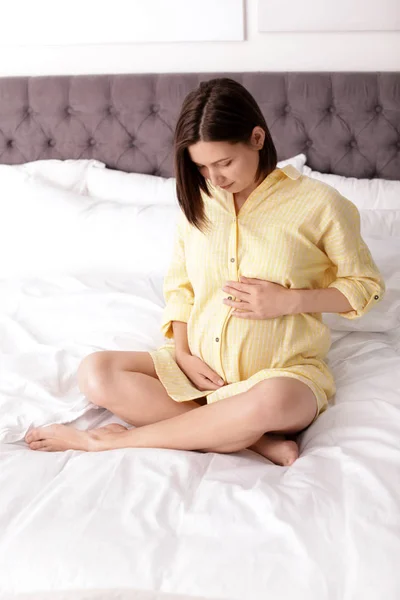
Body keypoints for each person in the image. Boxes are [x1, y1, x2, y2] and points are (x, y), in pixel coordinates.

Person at [25, 78, 385, 465]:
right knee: (95, 371)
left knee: (272, 401)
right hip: (199, 372)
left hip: (282, 377)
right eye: (202, 167)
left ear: (258, 138)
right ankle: (255, 444)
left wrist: (289, 300)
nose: (215, 178)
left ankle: (106, 442)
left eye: (224, 162)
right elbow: (181, 288)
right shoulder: (199, 201)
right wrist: (182, 355)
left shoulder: (320, 204)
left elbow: (365, 286)